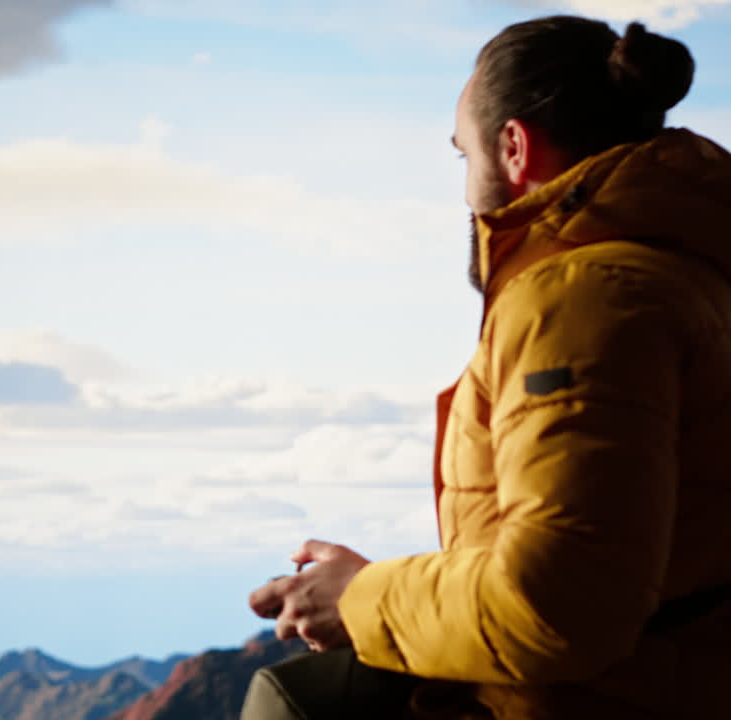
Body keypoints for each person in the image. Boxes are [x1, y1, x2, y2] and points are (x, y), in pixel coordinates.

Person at [240, 15, 731, 720]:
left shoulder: (582, 296)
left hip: (600, 700)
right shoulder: (692, 274)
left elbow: (562, 606)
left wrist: (361, 597)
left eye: (462, 155)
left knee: (288, 700)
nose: (465, 189)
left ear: (513, 147)